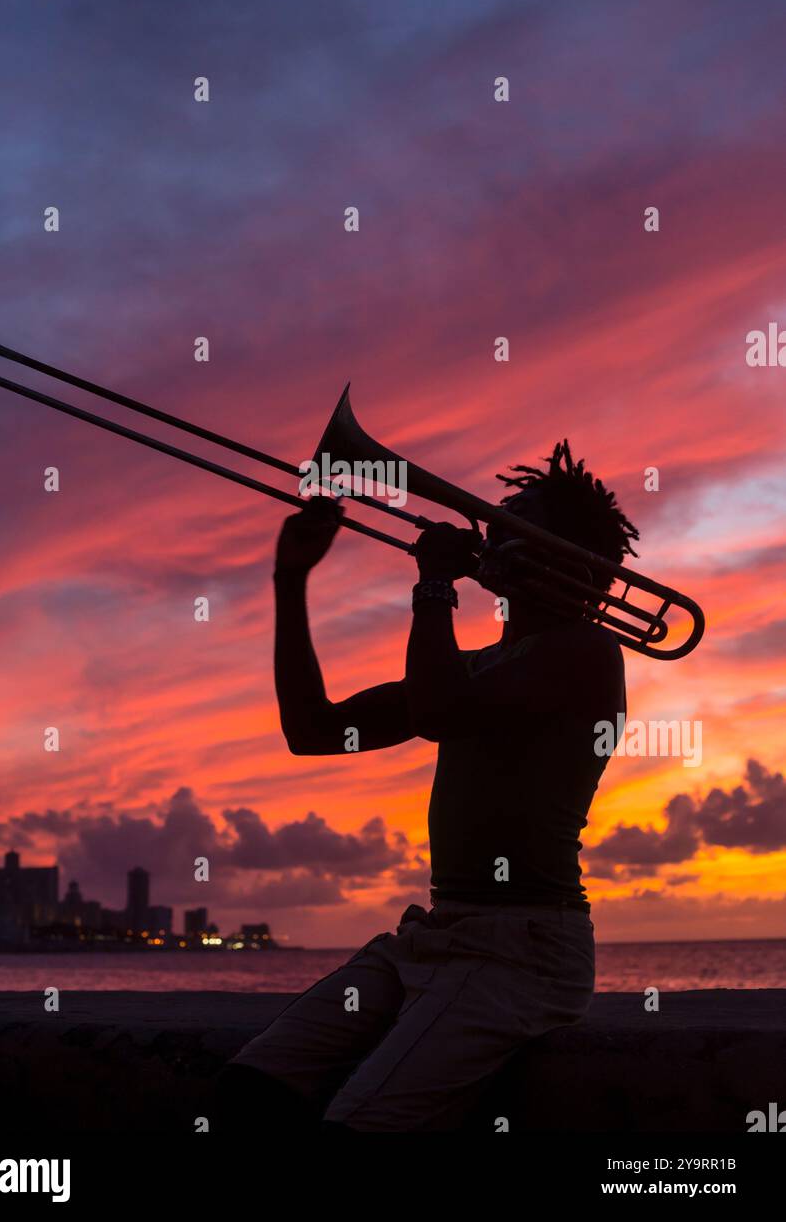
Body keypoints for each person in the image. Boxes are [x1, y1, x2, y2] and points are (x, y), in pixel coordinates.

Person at [211, 441, 637, 1132]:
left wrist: (435, 587)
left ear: (562, 554)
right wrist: (290, 581)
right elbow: (313, 729)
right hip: (436, 934)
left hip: (523, 950)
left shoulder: (585, 653)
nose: (490, 534)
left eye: (513, 525)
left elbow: (438, 715)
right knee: (247, 1094)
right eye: (495, 522)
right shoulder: (474, 665)